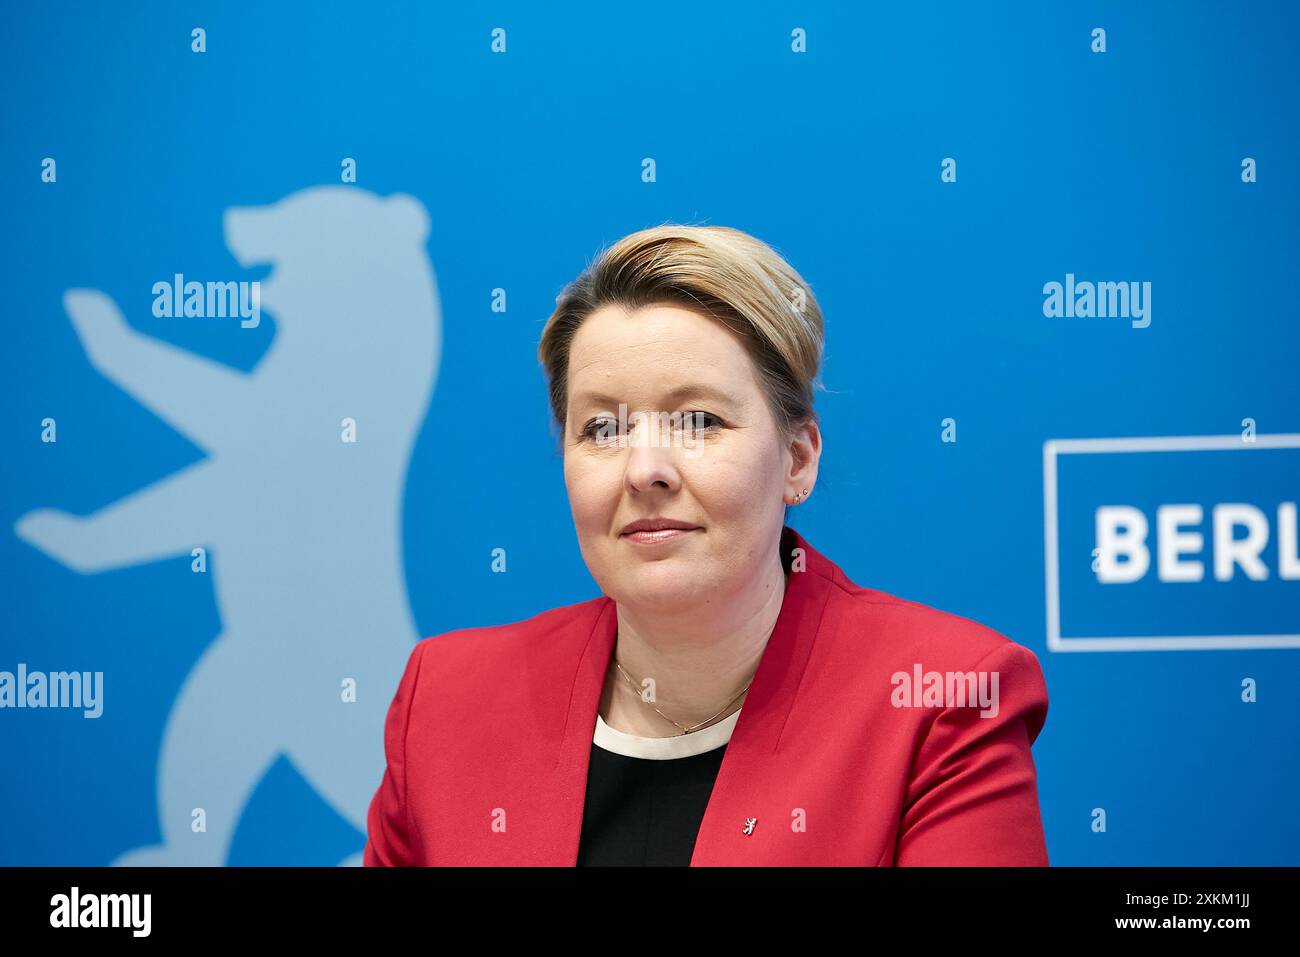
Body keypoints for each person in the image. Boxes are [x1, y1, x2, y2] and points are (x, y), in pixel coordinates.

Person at [364, 224, 1049, 866]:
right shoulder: (448, 701)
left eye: (698, 421)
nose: (644, 470)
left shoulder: (940, 701)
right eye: (603, 428)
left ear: (797, 459)